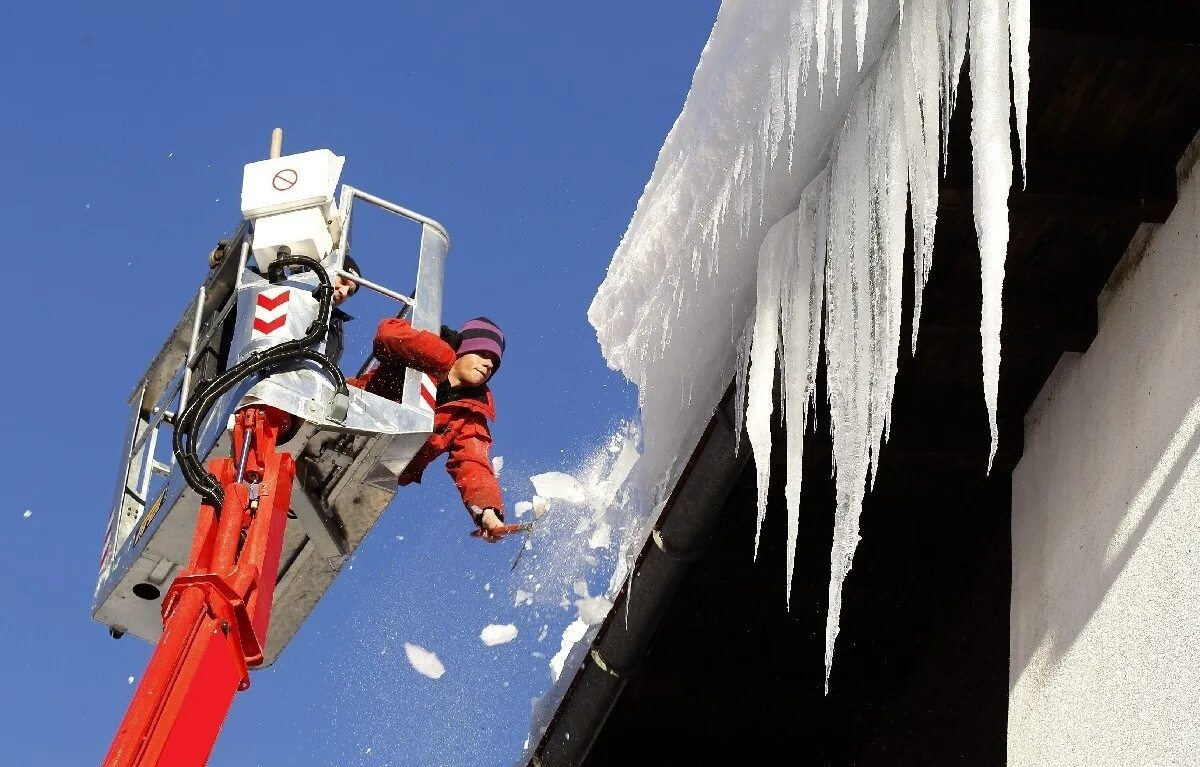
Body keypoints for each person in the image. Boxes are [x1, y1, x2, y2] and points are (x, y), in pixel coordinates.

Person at [346, 310, 509, 542]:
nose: (488, 364)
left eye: (495, 362)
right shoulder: (429, 344)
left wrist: (488, 511)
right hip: (344, 421)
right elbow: (386, 335)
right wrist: (440, 356)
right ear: (464, 349)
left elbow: (473, 464)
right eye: (483, 353)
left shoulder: (469, 415)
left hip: (375, 471)